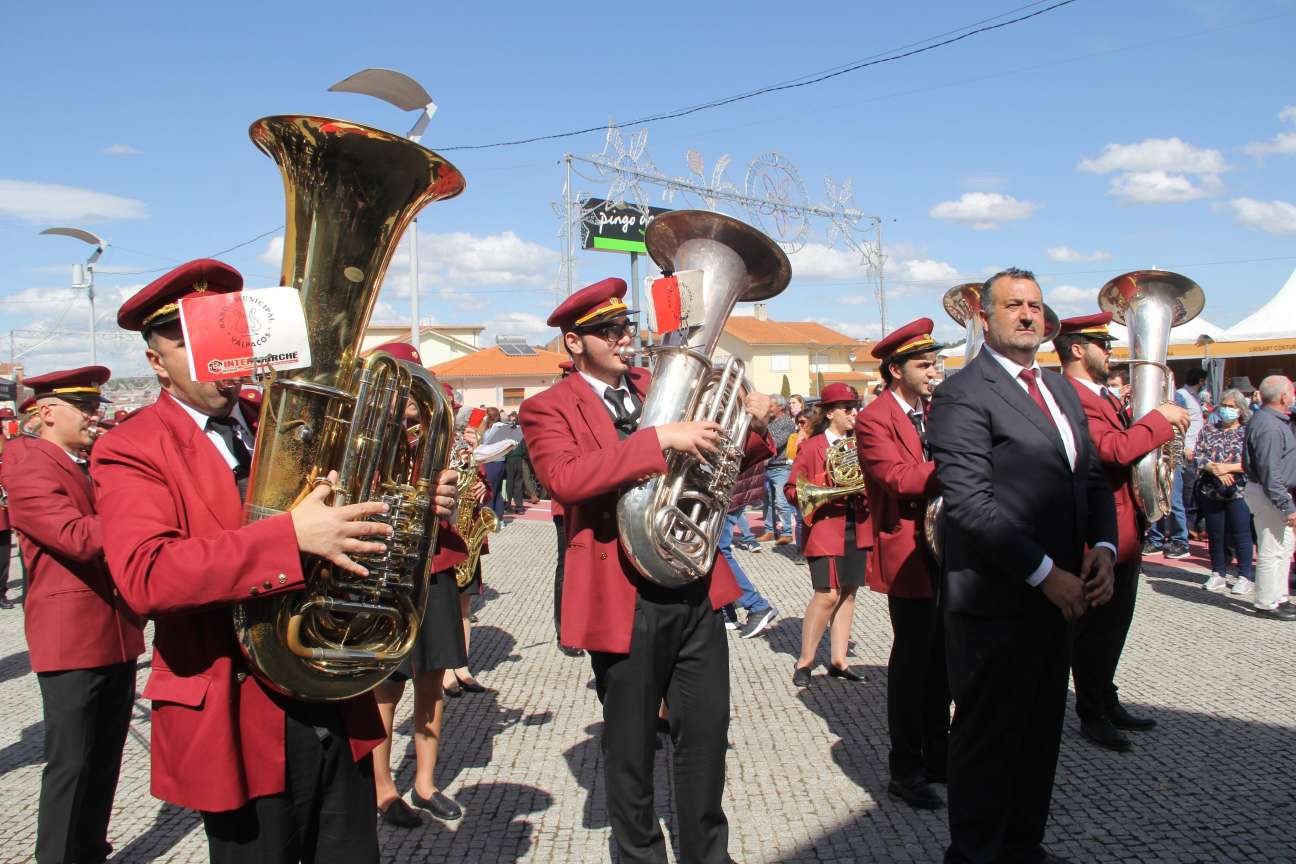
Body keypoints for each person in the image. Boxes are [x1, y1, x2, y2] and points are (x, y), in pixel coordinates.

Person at [91, 259, 459, 863]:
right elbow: (147, 577)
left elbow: (350, 519)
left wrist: (415, 507)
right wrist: (289, 537)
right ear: (155, 361)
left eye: (226, 332)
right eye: (189, 339)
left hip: (334, 688)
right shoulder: (131, 447)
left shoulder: (286, 420)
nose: (216, 352)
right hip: (236, 708)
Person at [520, 276, 772, 864]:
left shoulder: (657, 383)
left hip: (692, 582)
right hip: (621, 595)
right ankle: (638, 856)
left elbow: (720, 462)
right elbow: (566, 479)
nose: (625, 338)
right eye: (608, 331)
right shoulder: (545, 407)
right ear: (575, 342)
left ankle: (707, 853)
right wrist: (659, 438)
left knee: (706, 736)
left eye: (626, 326)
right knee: (631, 749)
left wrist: (752, 428)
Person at [927, 268, 1116, 864]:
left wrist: (1104, 549)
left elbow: (1090, 477)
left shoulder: (1060, 389)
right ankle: (976, 854)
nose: (1028, 315)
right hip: (995, 600)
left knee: (1039, 734)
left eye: (1036, 305)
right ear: (985, 317)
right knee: (988, 740)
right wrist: (1044, 573)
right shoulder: (962, 392)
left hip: (1059, 596)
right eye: (1014, 305)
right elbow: (970, 504)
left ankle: (1022, 847)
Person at [3, 366, 144, 864]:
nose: (94, 416)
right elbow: (77, 539)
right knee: (71, 763)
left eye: (95, 406)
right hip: (71, 638)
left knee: (104, 760)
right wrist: (143, 516)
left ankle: (89, 851)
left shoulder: (83, 461)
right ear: (45, 412)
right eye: (82, 408)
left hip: (115, 632)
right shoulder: (28, 465)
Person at [1056, 313, 1187, 753]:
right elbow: (1110, 451)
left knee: (1115, 625)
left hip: (1125, 523)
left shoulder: (1101, 395)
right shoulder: (1071, 396)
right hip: (1098, 530)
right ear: (1077, 349)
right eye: (1101, 344)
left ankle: (1105, 699)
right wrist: (1160, 421)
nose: (1110, 352)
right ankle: (1091, 712)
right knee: (1094, 629)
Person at [369, 348, 470, 829]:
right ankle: (382, 786)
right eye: (401, 387)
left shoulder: (432, 437)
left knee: (432, 679)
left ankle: (425, 782)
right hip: (384, 573)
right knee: (384, 689)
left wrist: (447, 497)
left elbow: (447, 503)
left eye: (416, 385)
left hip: (434, 567)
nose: (411, 397)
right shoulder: (365, 441)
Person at [855, 319, 949, 810]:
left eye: (935, 362)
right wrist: (958, 462)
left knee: (946, 661)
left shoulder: (937, 411)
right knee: (913, 663)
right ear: (896, 371)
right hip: (910, 550)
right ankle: (905, 768)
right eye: (924, 364)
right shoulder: (874, 418)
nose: (934, 370)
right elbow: (896, 477)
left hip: (948, 546)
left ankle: (939, 753)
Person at [785, 382, 870, 687]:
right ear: (831, 413)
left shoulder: (861, 444)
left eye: (855, 408)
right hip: (824, 528)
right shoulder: (811, 447)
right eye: (848, 409)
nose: (854, 415)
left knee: (848, 592)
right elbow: (792, 489)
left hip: (856, 525)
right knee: (826, 594)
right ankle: (806, 660)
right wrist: (827, 488)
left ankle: (838, 660)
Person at [1241, 375, 1296, 621]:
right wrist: (1287, 506)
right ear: (1284, 396)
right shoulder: (1270, 426)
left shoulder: (1272, 421)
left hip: (1274, 491)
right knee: (1271, 547)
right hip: (1270, 493)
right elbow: (1269, 472)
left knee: (1284, 547)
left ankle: (1279, 596)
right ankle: (1265, 602)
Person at [1196, 389, 1254, 594]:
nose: (1227, 410)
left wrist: (1227, 468)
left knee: (1241, 532)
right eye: (1224, 406)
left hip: (1239, 490)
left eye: (1232, 406)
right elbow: (1198, 455)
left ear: (1240, 409)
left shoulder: (1247, 432)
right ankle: (1217, 572)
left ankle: (1245, 575)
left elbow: (1252, 462)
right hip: (1212, 489)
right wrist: (1215, 470)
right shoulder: (1209, 429)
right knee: (1215, 533)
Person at [1145, 367, 1206, 558]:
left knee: (1173, 498)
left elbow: (1178, 426)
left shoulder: (1178, 397)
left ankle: (1180, 540)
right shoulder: (1183, 395)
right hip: (1155, 452)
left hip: (1170, 453)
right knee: (1156, 498)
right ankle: (1156, 538)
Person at [719, 459, 778, 638]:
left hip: (731, 484)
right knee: (714, 549)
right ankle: (727, 610)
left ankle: (756, 605)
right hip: (733, 482)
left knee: (717, 552)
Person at [757, 394, 797, 546]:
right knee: (767, 501)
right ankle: (769, 530)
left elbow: (777, 442)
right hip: (767, 466)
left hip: (781, 467)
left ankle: (786, 533)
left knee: (781, 500)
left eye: (771, 405)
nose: (769, 408)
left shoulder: (786, 422)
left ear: (780, 407)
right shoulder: (768, 422)